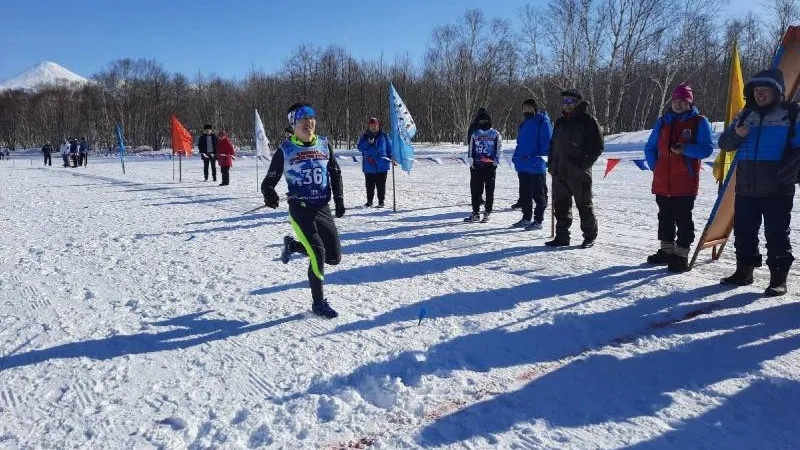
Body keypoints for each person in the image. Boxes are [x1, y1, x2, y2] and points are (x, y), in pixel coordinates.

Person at [718, 69, 800, 296]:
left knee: (776, 233)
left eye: (765, 90)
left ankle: (778, 280)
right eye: (756, 91)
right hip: (746, 185)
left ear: (777, 92)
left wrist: (788, 171)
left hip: (778, 187)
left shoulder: (792, 113)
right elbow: (725, 143)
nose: (760, 94)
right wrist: (738, 134)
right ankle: (744, 272)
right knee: (744, 231)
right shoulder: (745, 114)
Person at [261, 102, 346, 318]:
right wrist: (269, 193)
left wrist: (339, 198)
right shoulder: (285, 150)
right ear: (293, 123)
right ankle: (318, 304)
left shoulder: (324, 145)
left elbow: (335, 173)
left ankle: (293, 245)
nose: (308, 122)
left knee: (334, 257)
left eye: (311, 117)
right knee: (318, 253)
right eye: (302, 119)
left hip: (322, 208)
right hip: (301, 210)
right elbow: (268, 182)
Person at [643, 83, 714, 272]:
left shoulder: (699, 121)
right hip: (662, 182)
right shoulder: (663, 121)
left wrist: (686, 149)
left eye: (683, 101)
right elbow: (650, 147)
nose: (678, 104)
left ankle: (681, 254)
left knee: (683, 219)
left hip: (685, 182)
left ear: (690, 103)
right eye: (675, 101)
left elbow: (706, 149)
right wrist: (655, 167)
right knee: (664, 217)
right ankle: (666, 251)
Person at [546, 89, 603, 248]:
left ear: (578, 102)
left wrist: (582, 166)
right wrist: (551, 164)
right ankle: (562, 236)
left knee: (584, 206)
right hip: (559, 171)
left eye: (570, 101)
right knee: (561, 206)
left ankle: (589, 236)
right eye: (564, 101)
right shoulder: (560, 122)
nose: (567, 105)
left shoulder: (588, 121)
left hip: (579, 173)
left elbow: (597, 147)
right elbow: (553, 146)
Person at [511, 98, 552, 230]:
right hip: (522, 164)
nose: (527, 111)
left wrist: (540, 158)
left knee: (538, 194)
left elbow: (547, 142)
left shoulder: (542, 121)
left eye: (529, 108)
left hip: (536, 164)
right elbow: (519, 143)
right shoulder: (524, 124)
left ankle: (538, 220)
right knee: (525, 194)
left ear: (535, 109)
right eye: (524, 108)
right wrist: (516, 156)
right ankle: (526, 218)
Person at [464, 109, 501, 223]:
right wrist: (471, 162)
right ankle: (475, 213)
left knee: (489, 191)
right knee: (475, 190)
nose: (483, 123)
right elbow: (471, 149)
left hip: (490, 167)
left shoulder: (495, 134)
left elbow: (499, 149)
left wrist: (495, 163)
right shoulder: (475, 134)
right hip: (477, 166)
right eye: (481, 121)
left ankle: (487, 212)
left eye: (485, 121)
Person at [357, 117, 393, 207]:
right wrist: (368, 142)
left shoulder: (384, 136)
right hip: (369, 166)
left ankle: (381, 201)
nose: (373, 127)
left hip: (382, 165)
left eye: (375, 125)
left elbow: (389, 148)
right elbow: (360, 148)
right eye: (371, 125)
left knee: (381, 185)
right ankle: (369, 201)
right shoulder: (365, 137)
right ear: (369, 126)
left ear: (378, 126)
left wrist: (392, 158)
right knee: (370, 186)